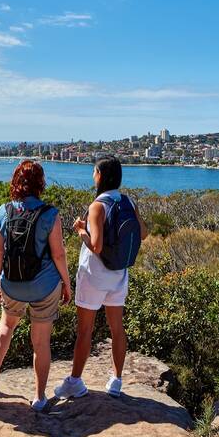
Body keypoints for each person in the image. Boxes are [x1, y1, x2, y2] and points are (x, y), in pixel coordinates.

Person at [54, 155, 147, 400]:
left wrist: (81, 230)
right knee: (117, 328)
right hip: (118, 274)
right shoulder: (128, 201)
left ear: (100, 175)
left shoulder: (98, 205)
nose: (93, 175)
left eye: (94, 171)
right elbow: (143, 233)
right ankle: (116, 380)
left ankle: (75, 381)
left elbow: (95, 246)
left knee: (85, 330)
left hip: (94, 276)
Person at [0, 160, 71, 411]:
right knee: (41, 341)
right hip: (43, 286)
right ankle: (39, 397)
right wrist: (66, 283)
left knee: (5, 327)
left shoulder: (3, 211)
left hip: (11, 283)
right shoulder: (50, 214)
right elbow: (59, 255)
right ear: (40, 183)